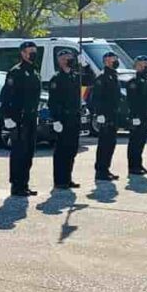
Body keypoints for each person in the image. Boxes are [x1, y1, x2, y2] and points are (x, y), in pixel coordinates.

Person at [0, 40, 41, 196]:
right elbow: (6, 96)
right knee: (19, 153)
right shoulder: (16, 72)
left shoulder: (34, 71)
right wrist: (8, 117)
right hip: (19, 118)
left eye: (34, 51)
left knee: (29, 152)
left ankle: (24, 183)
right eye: (30, 51)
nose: (33, 54)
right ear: (23, 53)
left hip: (30, 117)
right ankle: (16, 185)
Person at [48, 48, 83, 190]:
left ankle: (68, 178)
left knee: (72, 149)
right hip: (63, 119)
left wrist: (84, 65)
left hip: (74, 117)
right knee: (61, 151)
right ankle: (59, 180)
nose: (70, 60)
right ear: (60, 61)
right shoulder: (56, 78)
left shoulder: (75, 76)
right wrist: (56, 119)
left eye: (71, 58)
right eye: (67, 58)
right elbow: (53, 101)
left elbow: (91, 81)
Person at [89, 50, 121, 181]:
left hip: (113, 114)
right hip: (105, 115)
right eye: (113, 59)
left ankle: (106, 169)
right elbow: (96, 98)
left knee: (111, 143)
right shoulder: (102, 76)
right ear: (106, 61)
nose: (116, 61)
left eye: (115, 58)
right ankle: (100, 171)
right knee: (104, 144)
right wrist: (99, 113)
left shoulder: (113, 75)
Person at [125, 55, 147, 175]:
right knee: (135, 142)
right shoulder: (133, 82)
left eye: (146, 65)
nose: (144, 67)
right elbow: (132, 101)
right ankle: (133, 167)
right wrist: (134, 116)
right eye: (142, 65)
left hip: (145, 115)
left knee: (142, 141)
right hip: (136, 115)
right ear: (136, 66)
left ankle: (139, 164)